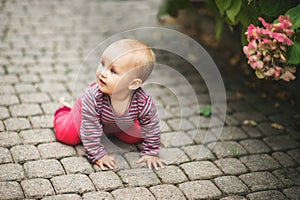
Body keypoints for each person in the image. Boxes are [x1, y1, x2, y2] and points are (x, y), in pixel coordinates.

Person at [54, 39, 165, 170]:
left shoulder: (143, 102)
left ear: (133, 84)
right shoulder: (93, 97)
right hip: (87, 114)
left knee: (135, 136)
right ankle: (65, 110)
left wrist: (151, 152)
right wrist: (97, 155)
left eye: (113, 71)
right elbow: (89, 129)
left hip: (116, 123)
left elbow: (151, 126)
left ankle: (107, 130)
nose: (102, 73)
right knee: (67, 136)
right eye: (102, 64)